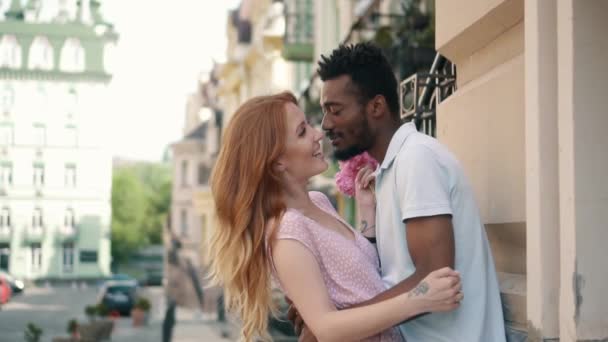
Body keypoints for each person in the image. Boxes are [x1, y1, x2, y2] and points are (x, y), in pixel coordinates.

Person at [207, 91, 463, 341]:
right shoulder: (286, 232)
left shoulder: (318, 202)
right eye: (302, 132)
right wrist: (418, 300)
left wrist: (367, 212)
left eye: (308, 124)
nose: (318, 134)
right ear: (277, 163)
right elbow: (326, 328)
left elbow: (360, 279)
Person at [292, 42, 506, 341]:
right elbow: (393, 276)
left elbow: (434, 274)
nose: (326, 124)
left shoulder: (416, 159)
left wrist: (339, 322)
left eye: (335, 110)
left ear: (376, 107)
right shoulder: (390, 168)